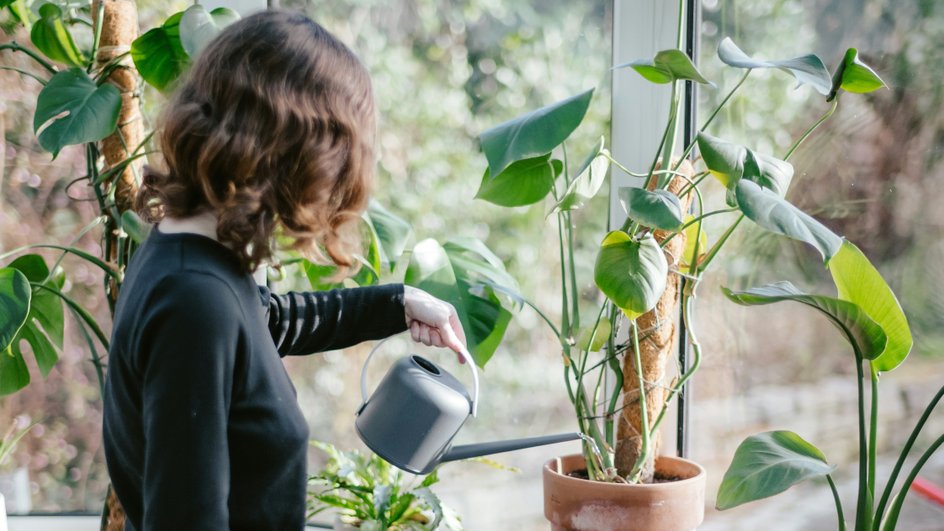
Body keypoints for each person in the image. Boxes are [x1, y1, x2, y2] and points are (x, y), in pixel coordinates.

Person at [102, 10, 467, 531]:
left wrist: (398, 302)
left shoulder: (190, 253)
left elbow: (263, 322)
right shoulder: (194, 302)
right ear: (298, 155)